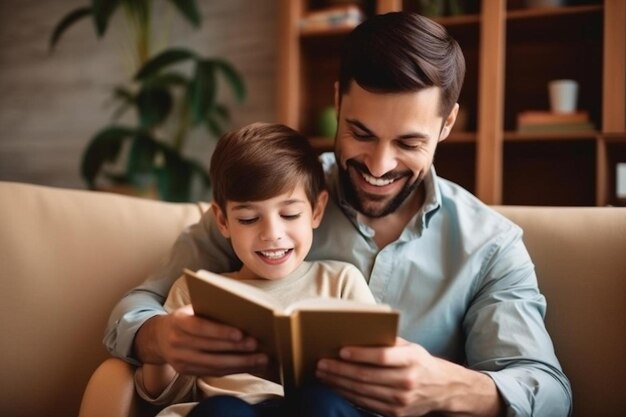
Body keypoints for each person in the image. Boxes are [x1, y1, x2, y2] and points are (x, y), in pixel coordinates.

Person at [106, 12, 572, 417]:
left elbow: (548, 391)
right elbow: (137, 308)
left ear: (447, 124)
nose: (378, 165)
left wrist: (451, 386)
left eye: (409, 143)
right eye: (360, 133)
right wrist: (160, 337)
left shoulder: (490, 245)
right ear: (338, 103)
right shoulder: (272, 196)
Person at [134, 122, 380, 417]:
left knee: (319, 402)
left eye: (290, 214)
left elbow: (374, 381)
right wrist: (163, 351)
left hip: (319, 408)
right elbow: (161, 397)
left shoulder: (340, 281)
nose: (272, 234)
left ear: (316, 210)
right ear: (223, 221)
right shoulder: (196, 293)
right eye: (249, 219)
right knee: (220, 411)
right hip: (233, 410)